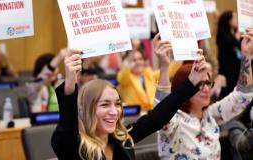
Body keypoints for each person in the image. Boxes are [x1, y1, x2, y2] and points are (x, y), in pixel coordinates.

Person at [51, 39, 210, 159]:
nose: (114, 111)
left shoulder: (122, 139)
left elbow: (158, 117)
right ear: (88, 109)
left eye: (118, 104)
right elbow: (67, 126)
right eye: (105, 105)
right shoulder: (73, 145)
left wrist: (192, 82)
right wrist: (70, 83)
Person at [156, 28, 253, 159]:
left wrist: (246, 54)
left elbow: (242, 96)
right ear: (183, 88)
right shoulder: (174, 120)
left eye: (208, 83)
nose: (206, 89)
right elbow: (160, 114)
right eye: (199, 84)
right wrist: (164, 66)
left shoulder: (210, 115)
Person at [217, 10, 242, 98]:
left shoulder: (234, 33)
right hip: (227, 69)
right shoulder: (223, 34)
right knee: (229, 93)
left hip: (236, 67)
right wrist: (237, 37)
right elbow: (230, 44)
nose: (236, 20)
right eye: (234, 17)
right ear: (228, 20)